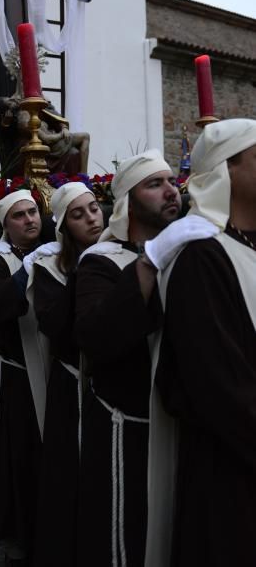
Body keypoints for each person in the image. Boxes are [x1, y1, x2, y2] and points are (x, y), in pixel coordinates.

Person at [146, 118, 256, 567]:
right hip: (231, 469)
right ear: (228, 173)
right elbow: (218, 386)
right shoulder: (201, 256)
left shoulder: (247, 245)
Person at [74, 150, 181, 567]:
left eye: (172, 182)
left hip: (178, 422)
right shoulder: (100, 261)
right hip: (128, 424)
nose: (171, 191)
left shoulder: (188, 252)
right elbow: (95, 337)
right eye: (154, 184)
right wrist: (148, 266)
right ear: (127, 203)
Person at [28, 182, 104, 567]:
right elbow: (54, 325)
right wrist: (80, 274)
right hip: (70, 383)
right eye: (78, 214)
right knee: (67, 476)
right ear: (63, 228)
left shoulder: (117, 256)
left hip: (107, 390)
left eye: (93, 208)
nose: (92, 218)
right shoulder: (48, 269)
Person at [0, 190, 45, 566]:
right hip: (19, 370)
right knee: (22, 455)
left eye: (33, 212)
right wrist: (28, 268)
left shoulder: (54, 246)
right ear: (5, 225)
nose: (29, 220)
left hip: (51, 366)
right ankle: (23, 531)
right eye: (19, 216)